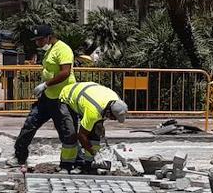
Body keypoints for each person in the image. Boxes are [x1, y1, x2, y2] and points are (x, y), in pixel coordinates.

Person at [10, 25, 79, 169]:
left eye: (40, 40)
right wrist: (45, 88)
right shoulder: (50, 51)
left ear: (49, 37)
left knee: (67, 131)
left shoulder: (63, 49)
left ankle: (73, 162)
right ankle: (19, 157)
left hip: (62, 98)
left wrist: (45, 84)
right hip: (47, 97)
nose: (38, 43)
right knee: (30, 124)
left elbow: (65, 72)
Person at [57, 78, 128, 171]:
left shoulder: (116, 101)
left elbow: (101, 116)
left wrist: (100, 125)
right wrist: (95, 153)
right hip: (67, 97)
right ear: (109, 112)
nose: (113, 120)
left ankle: (88, 165)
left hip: (87, 98)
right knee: (71, 133)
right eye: (113, 117)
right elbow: (82, 136)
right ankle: (66, 165)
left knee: (96, 133)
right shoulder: (93, 112)